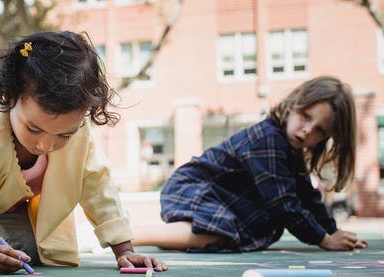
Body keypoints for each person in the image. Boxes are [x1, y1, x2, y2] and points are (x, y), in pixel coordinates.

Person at [0, 31, 167, 273]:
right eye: (33, 128)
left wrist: (125, 251)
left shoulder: (81, 135)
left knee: (28, 251)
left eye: (64, 134)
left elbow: (100, 189)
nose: (45, 145)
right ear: (8, 96)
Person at [133, 76, 367, 252]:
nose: (307, 130)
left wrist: (333, 231)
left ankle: (177, 237)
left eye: (319, 130)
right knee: (221, 234)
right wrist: (323, 239)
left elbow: (306, 194)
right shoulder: (268, 139)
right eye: (306, 116)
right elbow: (283, 203)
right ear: (294, 104)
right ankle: (132, 236)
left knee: (227, 233)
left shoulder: (288, 148)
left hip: (216, 197)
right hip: (191, 187)